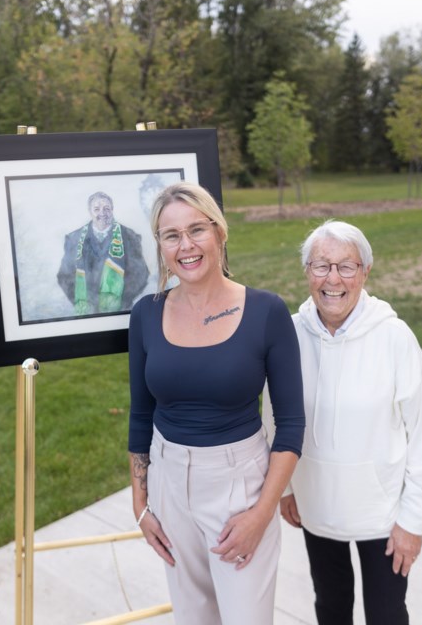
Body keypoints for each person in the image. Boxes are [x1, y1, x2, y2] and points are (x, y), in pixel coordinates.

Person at [127, 181, 305, 624]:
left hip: (240, 488)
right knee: (193, 618)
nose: (186, 245)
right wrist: (141, 503)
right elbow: (140, 414)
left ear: (219, 232)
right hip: (169, 483)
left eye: (196, 230)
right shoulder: (146, 313)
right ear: (161, 246)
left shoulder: (267, 312)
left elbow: (292, 426)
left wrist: (262, 514)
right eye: (171, 235)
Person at [263, 219, 422, 625]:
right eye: (321, 265)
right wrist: (286, 488)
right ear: (306, 271)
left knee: (386, 613)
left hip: (382, 514)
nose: (333, 279)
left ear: (365, 272)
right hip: (316, 505)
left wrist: (413, 521)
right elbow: (273, 416)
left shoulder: (394, 337)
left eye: (347, 266)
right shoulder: (289, 334)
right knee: (330, 606)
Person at [57, 191, 149, 315]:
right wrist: (81, 301)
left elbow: (140, 274)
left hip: (119, 312)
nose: (102, 213)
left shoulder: (129, 236)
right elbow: (64, 275)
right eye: (96, 209)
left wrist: (120, 301)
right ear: (90, 211)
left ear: (112, 210)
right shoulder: (73, 238)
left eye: (107, 208)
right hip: (85, 314)